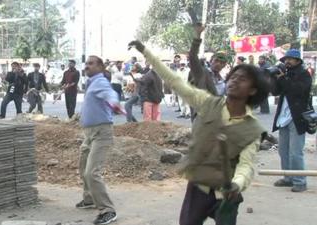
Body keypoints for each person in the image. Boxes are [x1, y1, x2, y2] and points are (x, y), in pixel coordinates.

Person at [129, 40, 269, 225]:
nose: (234, 80)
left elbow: (246, 165)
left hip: (226, 195)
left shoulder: (253, 129)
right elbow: (175, 81)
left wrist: (237, 184)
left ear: (252, 90)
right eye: (234, 76)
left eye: (242, 79)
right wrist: (145, 51)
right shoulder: (208, 103)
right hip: (198, 187)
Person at [77, 55, 120, 225]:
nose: (87, 66)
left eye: (91, 64)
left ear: (100, 67)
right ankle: (89, 198)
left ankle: (108, 210)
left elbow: (111, 94)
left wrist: (114, 102)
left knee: (92, 172)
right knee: (83, 166)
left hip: (101, 133)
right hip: (89, 133)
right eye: (86, 63)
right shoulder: (91, 82)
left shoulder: (100, 82)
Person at [270, 49, 312, 193]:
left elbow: (297, 91)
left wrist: (282, 79)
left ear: (298, 61)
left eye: (290, 59)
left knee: (295, 152)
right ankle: (288, 178)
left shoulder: (304, 75)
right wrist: (274, 79)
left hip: (297, 118)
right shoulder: (285, 75)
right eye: (285, 59)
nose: (287, 61)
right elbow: (275, 92)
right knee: (283, 151)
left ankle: (300, 181)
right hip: (283, 118)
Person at [188, 23, 228, 120]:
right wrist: (198, 36)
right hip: (202, 117)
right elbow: (193, 56)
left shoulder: (222, 79)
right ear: (211, 61)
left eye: (222, 63)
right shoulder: (202, 73)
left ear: (224, 65)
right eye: (216, 61)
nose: (218, 64)